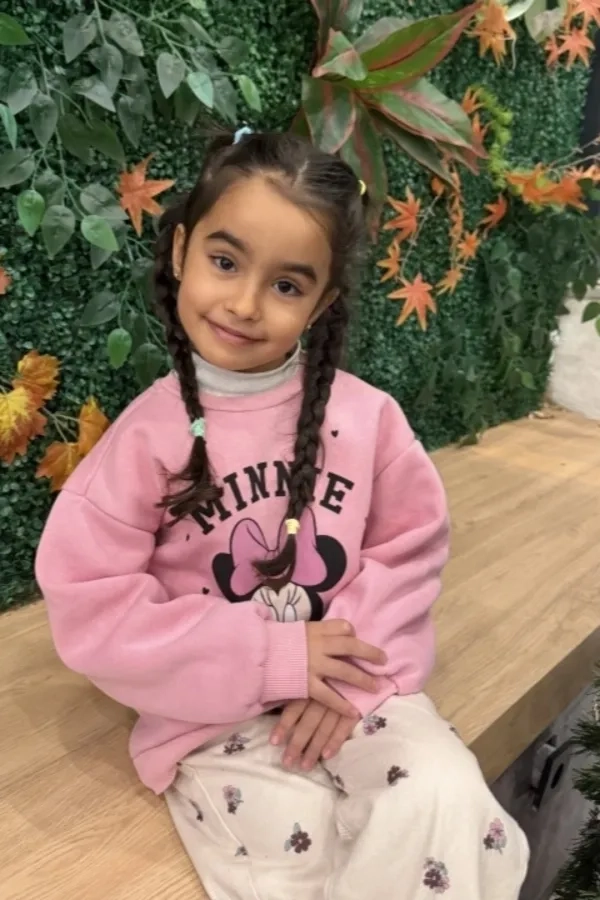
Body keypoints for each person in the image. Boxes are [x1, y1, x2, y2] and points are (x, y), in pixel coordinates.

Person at [35, 129, 529, 899]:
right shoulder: (145, 438)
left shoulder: (368, 421)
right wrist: (272, 658)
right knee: (299, 853)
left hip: (352, 694)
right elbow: (92, 605)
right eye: (226, 262)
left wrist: (348, 682)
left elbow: (409, 548)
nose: (244, 303)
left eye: (288, 285)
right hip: (210, 718)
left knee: (446, 795)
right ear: (181, 251)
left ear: (323, 301)